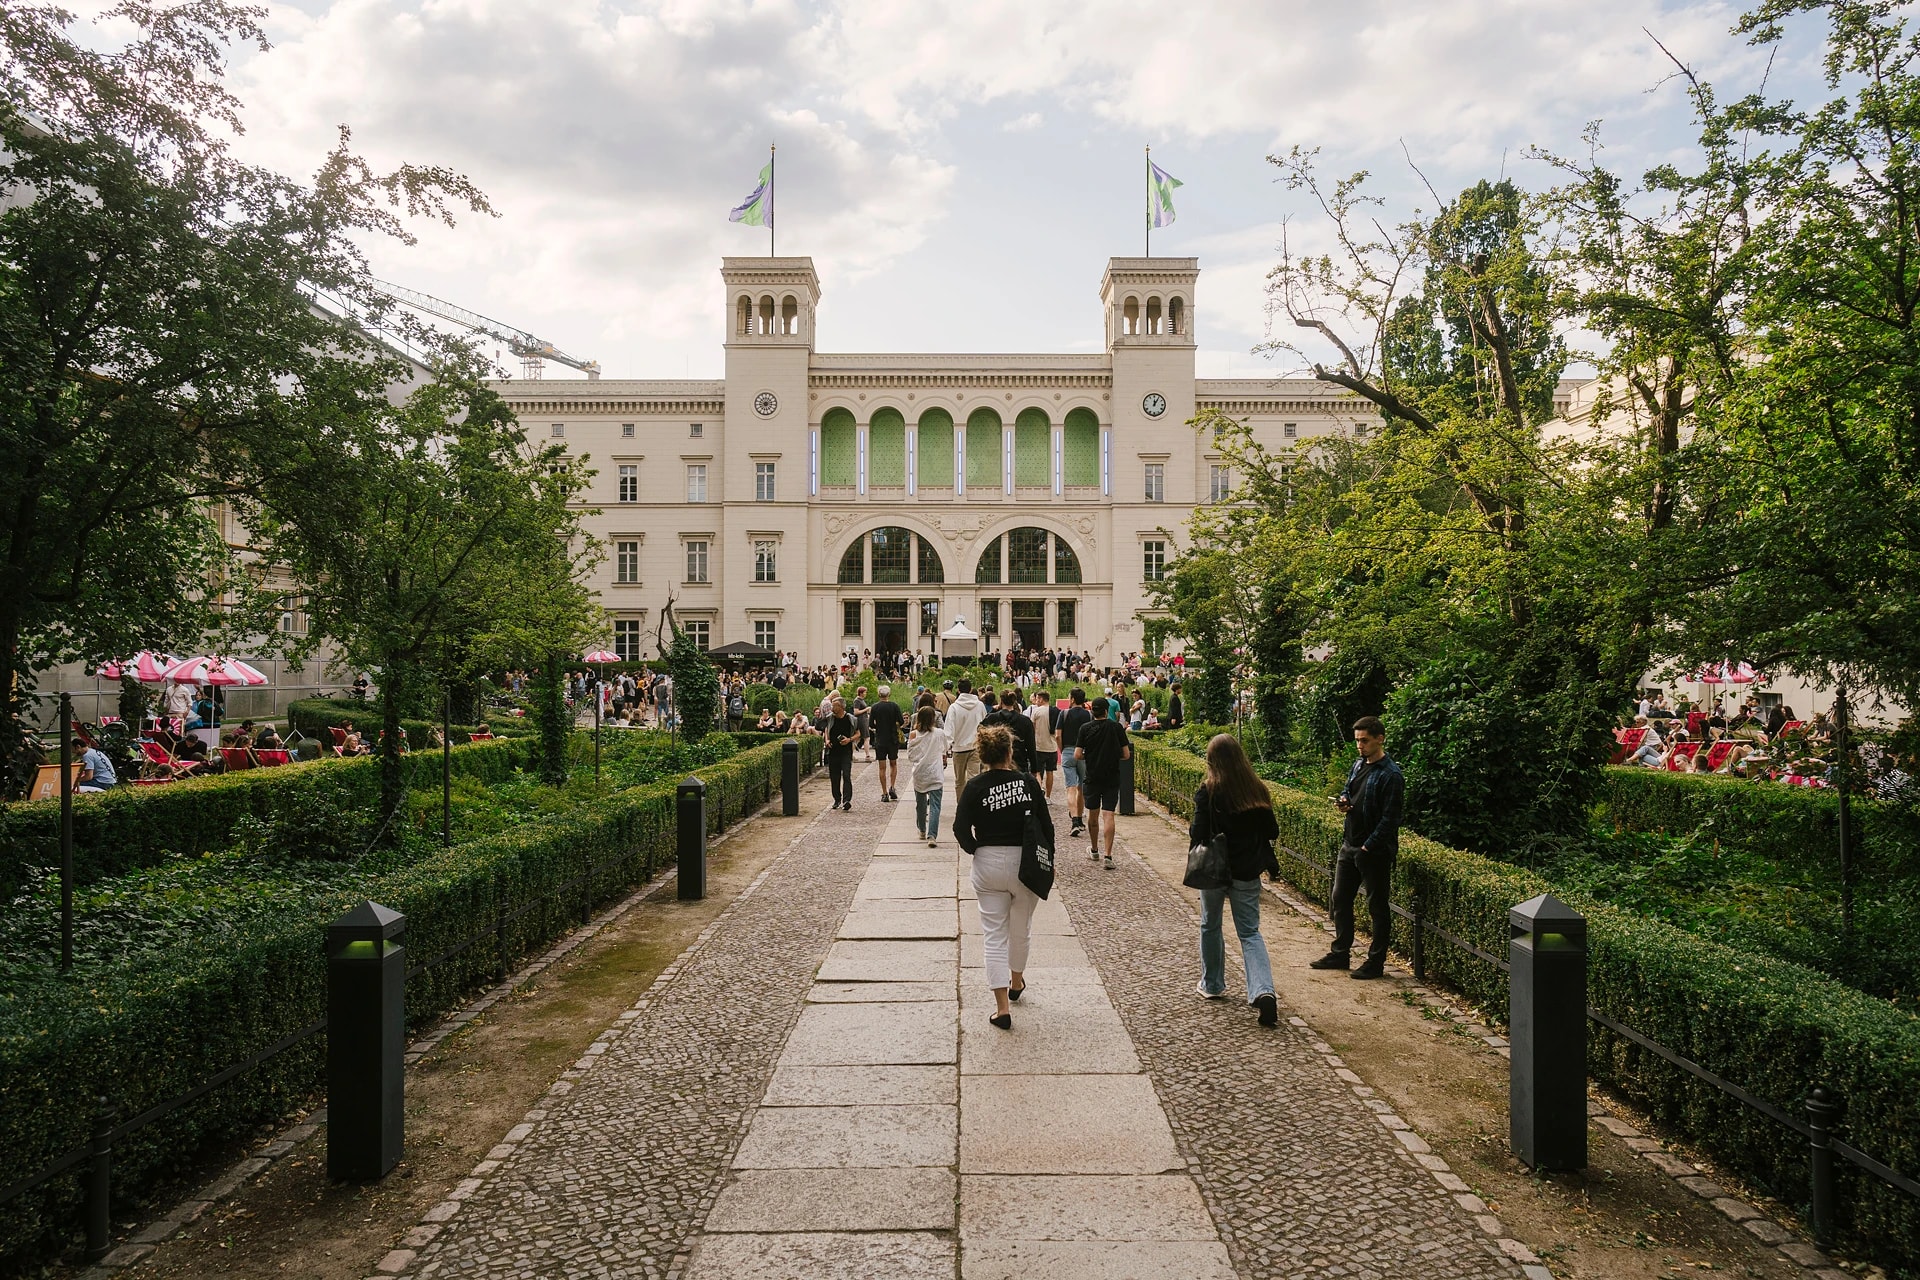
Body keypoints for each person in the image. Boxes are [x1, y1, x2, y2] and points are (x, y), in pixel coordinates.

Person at [952, 724, 1053, 1030]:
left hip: (989, 862)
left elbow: (959, 828)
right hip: (1024, 861)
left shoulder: (975, 787)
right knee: (1021, 928)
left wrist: (977, 849)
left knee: (994, 936)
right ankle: (1017, 981)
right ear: (1010, 753)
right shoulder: (1027, 783)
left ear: (982, 755)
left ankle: (1002, 1008)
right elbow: (1045, 826)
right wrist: (1047, 862)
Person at [1189, 734, 1282, 1025]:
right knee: (1250, 933)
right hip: (1246, 870)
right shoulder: (1256, 790)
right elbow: (1272, 831)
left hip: (1215, 870)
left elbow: (1197, 833)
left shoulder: (1209, 791)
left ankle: (1213, 984)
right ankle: (1263, 991)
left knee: (1210, 925)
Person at [1312, 715, 1405, 980]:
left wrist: (1368, 846)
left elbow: (1391, 819)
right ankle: (1340, 953)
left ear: (1380, 738)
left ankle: (1375, 963)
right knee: (1340, 898)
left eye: (1364, 740)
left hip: (1372, 851)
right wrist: (1344, 801)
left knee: (1377, 907)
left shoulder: (1391, 775)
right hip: (1350, 845)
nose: (1360, 746)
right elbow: (1349, 790)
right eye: (1357, 741)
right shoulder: (1358, 765)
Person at [1073, 696, 1131, 871]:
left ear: (1093, 711)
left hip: (1092, 776)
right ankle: (1108, 855)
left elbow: (1077, 754)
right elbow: (1126, 755)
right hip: (1112, 776)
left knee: (1093, 815)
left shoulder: (1085, 728)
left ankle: (1094, 849)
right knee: (1108, 815)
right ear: (1107, 711)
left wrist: (1089, 756)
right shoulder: (1116, 728)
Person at [907, 705, 951, 847]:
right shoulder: (939, 733)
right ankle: (932, 835)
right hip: (935, 772)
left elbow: (911, 755)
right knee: (935, 805)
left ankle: (921, 829)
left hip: (920, 772)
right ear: (933, 719)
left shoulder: (914, 734)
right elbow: (945, 748)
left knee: (920, 804)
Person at [1057, 688, 1093, 840]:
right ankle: (1080, 820)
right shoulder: (1089, 715)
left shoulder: (1064, 714)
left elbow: (1058, 734)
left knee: (1070, 788)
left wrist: (1062, 749)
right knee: (1081, 787)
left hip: (1068, 751)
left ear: (1071, 699)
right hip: (1084, 753)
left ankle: (1074, 821)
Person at [945, 679, 987, 794]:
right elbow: (985, 724)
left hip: (959, 748)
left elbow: (949, 729)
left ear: (958, 690)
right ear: (970, 689)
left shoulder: (954, 707)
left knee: (959, 781)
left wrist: (946, 747)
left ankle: (961, 807)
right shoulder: (979, 705)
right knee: (974, 778)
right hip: (975, 746)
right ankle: (973, 807)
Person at [981, 688, 1036, 774]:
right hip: (1019, 764)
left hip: (995, 763)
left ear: (1001, 701)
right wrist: (1035, 769)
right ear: (1014, 701)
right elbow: (1031, 746)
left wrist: (994, 710)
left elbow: (980, 731)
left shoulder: (992, 718)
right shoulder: (1025, 721)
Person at [869, 685, 906, 802]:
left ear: (879, 695)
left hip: (880, 739)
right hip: (892, 738)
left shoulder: (874, 707)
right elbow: (901, 721)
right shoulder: (894, 706)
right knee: (893, 764)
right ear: (888, 694)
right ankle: (892, 787)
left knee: (882, 767)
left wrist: (878, 726)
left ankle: (884, 792)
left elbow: (871, 724)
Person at [823, 696, 858, 810]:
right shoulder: (830, 718)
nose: (832, 707)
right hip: (833, 751)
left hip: (846, 751)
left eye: (834, 705)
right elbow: (826, 729)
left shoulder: (851, 719)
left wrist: (849, 739)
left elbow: (859, 733)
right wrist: (827, 740)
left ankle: (847, 800)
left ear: (841, 707)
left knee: (847, 775)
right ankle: (837, 799)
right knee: (834, 777)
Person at [1028, 688, 1062, 798]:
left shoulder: (1036, 711)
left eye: (1037, 699)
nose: (1036, 701)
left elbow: (1032, 728)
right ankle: (1048, 796)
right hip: (1052, 747)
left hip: (1039, 746)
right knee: (1050, 772)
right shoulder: (1056, 711)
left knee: (1037, 772)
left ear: (1041, 699)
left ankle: (1038, 795)